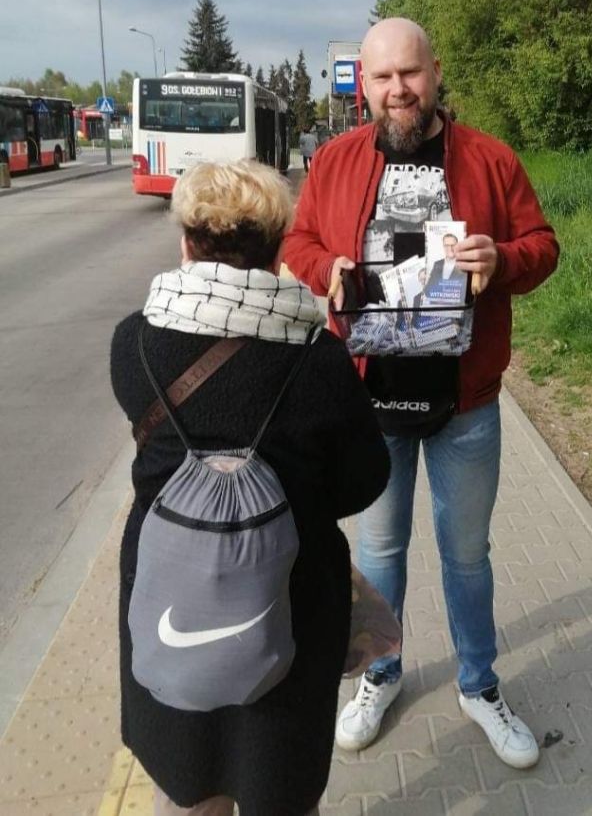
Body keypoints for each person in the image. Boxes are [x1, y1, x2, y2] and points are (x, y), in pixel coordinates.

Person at [283, 18, 560, 769]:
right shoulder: (336, 161)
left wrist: (502, 259)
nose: (398, 89)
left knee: (467, 556)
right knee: (379, 551)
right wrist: (326, 271)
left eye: (410, 73)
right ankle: (380, 674)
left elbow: (543, 247)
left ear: (435, 73)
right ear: (364, 86)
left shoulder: (491, 160)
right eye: (382, 77)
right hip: (370, 403)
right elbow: (299, 241)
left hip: (465, 401)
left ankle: (479, 685)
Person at [110, 159, 391, 816]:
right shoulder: (319, 359)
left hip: (168, 591)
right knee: (280, 786)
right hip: (291, 602)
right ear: (277, 250)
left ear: (187, 242)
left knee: (183, 782)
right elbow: (364, 480)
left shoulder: (135, 343)